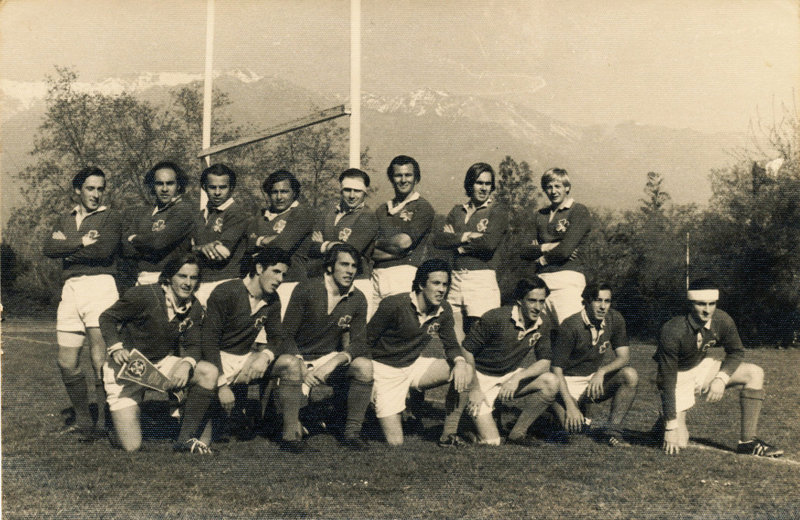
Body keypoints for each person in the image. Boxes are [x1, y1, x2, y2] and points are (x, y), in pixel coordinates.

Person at [99, 253, 218, 453]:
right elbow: (107, 317)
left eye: (193, 277)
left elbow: (194, 344)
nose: (188, 283)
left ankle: (185, 439)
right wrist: (116, 347)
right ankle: (114, 423)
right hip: (126, 367)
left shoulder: (194, 306)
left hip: (160, 363)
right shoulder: (144, 294)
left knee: (208, 372)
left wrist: (186, 364)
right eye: (182, 276)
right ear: (169, 277)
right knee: (131, 446)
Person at [655, 278, 783, 457]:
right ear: (690, 304)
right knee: (680, 442)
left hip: (701, 367)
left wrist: (721, 379)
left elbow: (736, 352)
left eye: (712, 303)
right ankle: (664, 421)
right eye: (701, 304)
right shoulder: (672, 330)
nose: (707, 310)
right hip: (678, 375)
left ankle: (747, 442)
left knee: (755, 373)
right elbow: (667, 381)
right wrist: (670, 427)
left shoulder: (722, 319)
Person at [200, 247, 307, 452]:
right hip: (214, 362)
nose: (280, 279)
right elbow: (209, 342)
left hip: (244, 360)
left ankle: (290, 437)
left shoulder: (272, 299)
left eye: (283, 275)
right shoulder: (226, 291)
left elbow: (277, 337)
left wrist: (264, 356)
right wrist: (221, 385)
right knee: (204, 440)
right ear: (259, 268)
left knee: (291, 364)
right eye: (275, 272)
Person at [43, 167, 122, 440]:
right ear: (78, 190)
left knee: (99, 357)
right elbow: (48, 248)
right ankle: (83, 420)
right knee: (66, 361)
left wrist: (68, 248)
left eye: (100, 189)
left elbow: (104, 251)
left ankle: (104, 422)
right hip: (71, 289)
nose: (96, 194)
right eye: (90, 188)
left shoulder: (110, 216)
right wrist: (82, 242)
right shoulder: (65, 219)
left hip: (100, 285)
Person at [442, 278, 559, 447]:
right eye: (532, 301)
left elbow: (545, 361)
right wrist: (474, 389)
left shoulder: (543, 322)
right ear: (519, 300)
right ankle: (465, 422)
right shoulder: (496, 317)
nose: (537, 307)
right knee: (492, 442)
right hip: (479, 378)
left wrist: (517, 378)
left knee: (551, 381)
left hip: (507, 377)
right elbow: (466, 350)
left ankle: (517, 434)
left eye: (542, 301)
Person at [367, 259, 472, 445]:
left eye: (445, 284)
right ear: (422, 284)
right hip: (385, 370)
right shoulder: (394, 304)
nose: (441, 289)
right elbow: (364, 342)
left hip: (413, 365)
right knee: (395, 442)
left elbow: (451, 345)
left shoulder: (444, 309)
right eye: (436, 283)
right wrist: (369, 381)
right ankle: (368, 414)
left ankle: (448, 435)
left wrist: (460, 362)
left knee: (465, 370)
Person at [282, 243, 373, 450]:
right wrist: (301, 366)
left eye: (354, 266)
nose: (350, 271)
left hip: (327, 359)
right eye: (344, 264)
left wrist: (333, 362)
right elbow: (285, 335)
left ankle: (352, 433)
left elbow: (360, 343)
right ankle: (292, 431)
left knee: (364, 366)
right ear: (330, 266)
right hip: (297, 359)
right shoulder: (307, 288)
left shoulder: (358, 298)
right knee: (294, 431)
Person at [550, 282, 638, 446]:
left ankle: (612, 432)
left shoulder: (614, 319)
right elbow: (556, 369)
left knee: (630, 375)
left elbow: (624, 357)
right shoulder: (571, 325)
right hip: (566, 382)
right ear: (586, 301)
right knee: (573, 432)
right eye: (598, 300)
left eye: (607, 301)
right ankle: (550, 413)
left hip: (591, 380)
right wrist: (570, 405)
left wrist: (602, 371)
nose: (603, 306)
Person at [433, 162, 508, 342]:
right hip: (456, 278)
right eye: (479, 183)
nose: (483, 188)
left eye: (487, 184)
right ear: (469, 184)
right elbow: (439, 240)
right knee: (453, 337)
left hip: (481, 279)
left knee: (479, 339)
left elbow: (489, 244)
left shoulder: (497, 211)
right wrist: (467, 236)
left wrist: (456, 243)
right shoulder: (457, 211)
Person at [519, 168, 592, 324]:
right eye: (549, 187)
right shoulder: (540, 215)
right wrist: (548, 247)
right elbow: (523, 250)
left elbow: (565, 250)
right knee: (539, 333)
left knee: (569, 330)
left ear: (567, 187)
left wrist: (541, 260)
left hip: (567, 281)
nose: (553, 191)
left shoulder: (578, 211)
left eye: (558, 186)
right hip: (540, 283)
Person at [309, 168, 378, 318]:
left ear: (365, 192)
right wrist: (332, 245)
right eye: (347, 190)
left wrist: (323, 245)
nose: (352, 196)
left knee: (352, 328)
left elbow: (348, 251)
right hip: (327, 281)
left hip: (356, 281)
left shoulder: (367, 217)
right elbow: (310, 246)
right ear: (341, 190)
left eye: (357, 191)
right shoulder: (328, 213)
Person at [247, 169, 314, 318]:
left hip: (290, 281)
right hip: (261, 282)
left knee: (283, 326)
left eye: (284, 191)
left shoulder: (301, 213)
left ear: (294, 193)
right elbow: (247, 242)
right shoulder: (262, 214)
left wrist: (258, 243)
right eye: (274, 192)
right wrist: (263, 240)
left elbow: (282, 246)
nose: (279, 197)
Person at [371, 155, 435, 311]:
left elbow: (403, 243)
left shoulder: (422, 207)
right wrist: (397, 252)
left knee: (400, 322)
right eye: (398, 175)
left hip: (404, 275)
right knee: (372, 323)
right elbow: (370, 251)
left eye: (408, 175)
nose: (403, 180)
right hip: (376, 276)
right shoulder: (382, 210)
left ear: (416, 178)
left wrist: (378, 244)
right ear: (391, 179)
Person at [124, 161, 194, 285]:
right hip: (141, 277)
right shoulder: (143, 213)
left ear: (178, 185)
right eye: (159, 184)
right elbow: (125, 246)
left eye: (170, 183)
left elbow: (158, 242)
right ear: (152, 186)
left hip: (169, 279)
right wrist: (147, 244)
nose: (164, 189)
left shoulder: (183, 211)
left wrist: (135, 239)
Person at [192, 163, 251, 307]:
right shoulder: (200, 215)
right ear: (204, 187)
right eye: (212, 187)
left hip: (225, 283)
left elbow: (220, 253)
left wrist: (194, 248)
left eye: (222, 187)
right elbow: (184, 249)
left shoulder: (236, 213)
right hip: (199, 282)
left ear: (231, 188)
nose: (217, 192)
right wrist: (200, 248)